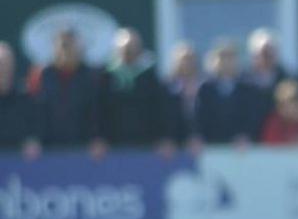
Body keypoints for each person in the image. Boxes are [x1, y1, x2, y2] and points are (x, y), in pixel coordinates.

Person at [27, 28, 106, 156]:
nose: (67, 50)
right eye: (63, 46)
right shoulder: (41, 75)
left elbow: (97, 111)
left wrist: (97, 138)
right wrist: (34, 139)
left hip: (83, 149)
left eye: (71, 45)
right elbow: (35, 112)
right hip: (48, 150)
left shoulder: (91, 76)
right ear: (55, 48)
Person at [101, 29, 172, 152]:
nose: (129, 51)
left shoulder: (150, 76)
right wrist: (100, 138)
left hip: (146, 144)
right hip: (113, 145)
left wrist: (163, 137)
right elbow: (99, 110)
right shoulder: (107, 77)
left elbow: (160, 109)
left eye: (133, 47)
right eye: (125, 48)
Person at [194, 41, 259, 146]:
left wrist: (246, 135)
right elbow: (200, 118)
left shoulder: (247, 88)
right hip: (212, 147)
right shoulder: (205, 89)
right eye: (222, 57)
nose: (226, 62)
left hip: (241, 149)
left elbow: (252, 117)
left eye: (230, 57)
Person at [0, 42, 42, 157]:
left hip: (20, 167)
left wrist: (33, 141)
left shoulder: (26, 100)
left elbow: (36, 131)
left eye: (7, 64)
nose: (3, 69)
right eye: (1, 65)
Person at [259, 80, 298, 145]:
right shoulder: (274, 122)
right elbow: (271, 147)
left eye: (296, 100)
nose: (294, 106)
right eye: (287, 102)